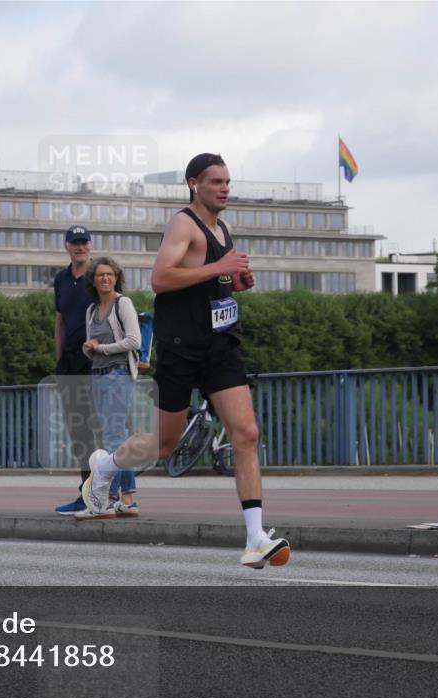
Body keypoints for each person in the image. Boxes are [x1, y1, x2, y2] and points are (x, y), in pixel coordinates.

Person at [76, 153, 290, 569]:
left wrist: (236, 281)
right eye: (216, 182)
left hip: (221, 343)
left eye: (228, 181)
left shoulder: (223, 227)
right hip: (181, 345)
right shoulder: (182, 224)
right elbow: (161, 278)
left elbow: (215, 281)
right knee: (163, 444)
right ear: (195, 184)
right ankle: (106, 467)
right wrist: (220, 266)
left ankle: (255, 538)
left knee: (245, 433)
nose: (225, 188)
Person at [80, 257, 142, 518]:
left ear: (116, 278)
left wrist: (101, 348)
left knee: (113, 437)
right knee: (116, 437)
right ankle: (127, 500)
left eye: (110, 274)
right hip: (98, 374)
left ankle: (107, 499)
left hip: (118, 374)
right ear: (93, 280)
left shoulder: (122, 303)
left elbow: (134, 341)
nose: (105, 278)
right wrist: (89, 349)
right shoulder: (92, 311)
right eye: (100, 275)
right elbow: (91, 346)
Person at [52, 226, 102, 515]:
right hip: (70, 363)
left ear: (91, 246)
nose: (80, 247)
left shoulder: (100, 276)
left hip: (97, 362)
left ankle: (112, 493)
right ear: (67, 247)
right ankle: (86, 492)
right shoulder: (60, 279)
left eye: (84, 243)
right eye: (75, 243)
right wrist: (59, 360)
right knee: (78, 430)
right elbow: (59, 321)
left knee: (102, 428)